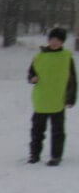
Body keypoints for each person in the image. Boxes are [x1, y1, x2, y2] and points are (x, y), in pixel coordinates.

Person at [27, 27, 76, 165]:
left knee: (58, 131)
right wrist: (32, 78)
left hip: (58, 100)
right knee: (37, 130)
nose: (54, 42)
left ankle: (56, 156)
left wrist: (71, 97)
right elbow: (31, 73)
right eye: (52, 39)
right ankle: (34, 154)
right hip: (41, 99)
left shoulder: (67, 57)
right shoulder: (39, 56)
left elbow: (72, 79)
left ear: (62, 42)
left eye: (58, 40)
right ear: (49, 40)